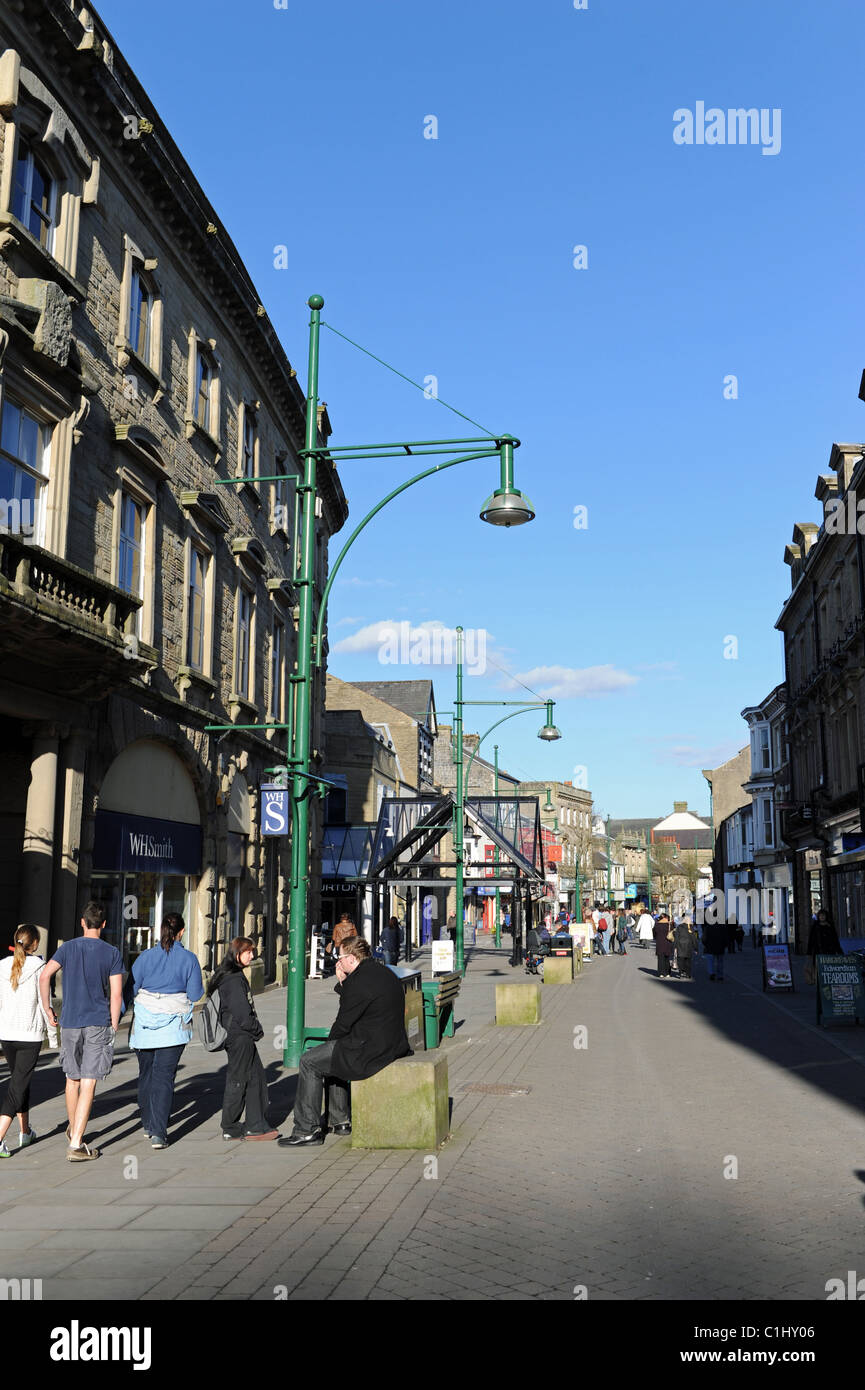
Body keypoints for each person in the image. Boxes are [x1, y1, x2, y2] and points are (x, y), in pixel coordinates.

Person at [279, 935, 411, 1147]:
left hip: (371, 1049)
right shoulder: (381, 971)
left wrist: (327, 1045)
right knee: (333, 1056)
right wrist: (344, 982)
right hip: (390, 1043)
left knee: (310, 1061)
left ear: (351, 958)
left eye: (339, 958)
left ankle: (307, 1130)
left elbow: (343, 1023)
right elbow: (356, 1002)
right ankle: (340, 1121)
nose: (337, 963)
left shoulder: (360, 981)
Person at [38, 901, 123, 1162]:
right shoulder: (111, 952)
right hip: (97, 1020)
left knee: (71, 1079)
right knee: (89, 1080)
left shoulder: (67, 948)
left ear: (82, 923)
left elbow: (44, 977)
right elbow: (116, 992)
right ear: (104, 925)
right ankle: (76, 1143)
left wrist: (48, 1009)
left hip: (71, 1021)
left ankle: (74, 1129)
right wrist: (115, 1022)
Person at [128, 913, 204, 1149]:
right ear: (181, 932)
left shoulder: (145, 957)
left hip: (144, 1024)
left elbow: (131, 988)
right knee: (164, 1077)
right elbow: (194, 994)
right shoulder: (189, 959)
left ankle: (149, 1123)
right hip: (173, 1026)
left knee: (146, 1075)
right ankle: (159, 1133)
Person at [209, 937, 278, 1142]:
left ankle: (252, 1125)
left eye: (252, 951)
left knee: (254, 1077)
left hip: (239, 1034)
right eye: (248, 952)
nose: (252, 955)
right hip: (239, 1035)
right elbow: (241, 1013)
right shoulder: (233, 979)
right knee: (239, 1079)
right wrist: (256, 1029)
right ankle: (235, 1126)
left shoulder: (231, 975)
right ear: (237, 954)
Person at [0, 925, 58, 1157]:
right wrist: (53, 1038)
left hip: (7, 1034)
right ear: (35, 944)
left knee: (19, 1082)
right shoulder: (40, 967)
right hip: (29, 1035)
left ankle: (25, 1132)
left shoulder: (2, 965)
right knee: (16, 1088)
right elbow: (46, 1005)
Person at [653, 912, 674, 978]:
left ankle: (661, 973)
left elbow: (654, 935)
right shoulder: (670, 925)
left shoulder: (657, 925)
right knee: (667, 958)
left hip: (660, 943)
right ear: (666, 918)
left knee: (660, 958)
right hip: (668, 943)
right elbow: (673, 933)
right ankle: (667, 973)